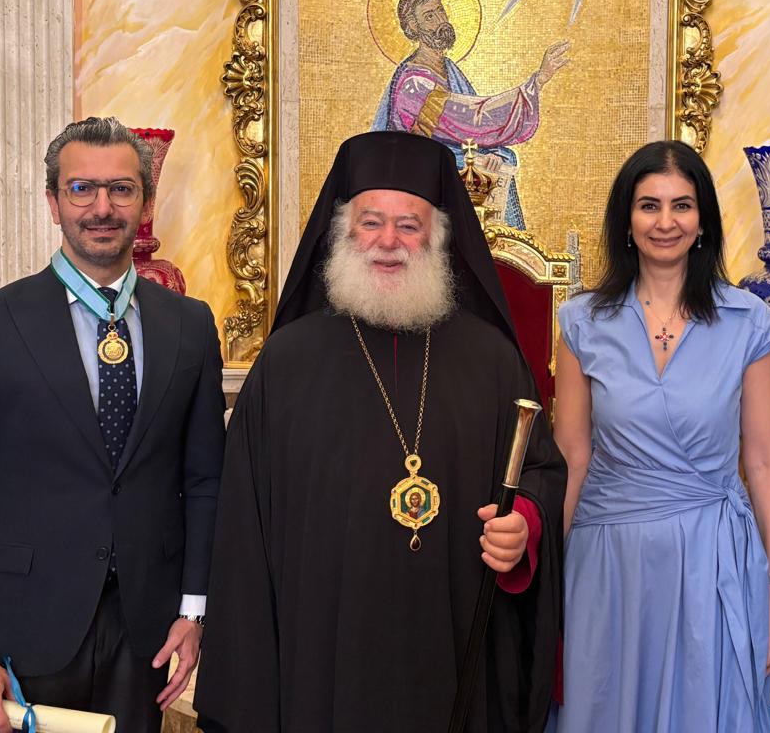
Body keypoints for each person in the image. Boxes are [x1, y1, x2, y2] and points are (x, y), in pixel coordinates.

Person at [193, 131, 565, 733]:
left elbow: (540, 471)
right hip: (321, 652)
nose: (388, 241)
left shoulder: (492, 360)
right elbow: (244, 527)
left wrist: (524, 523)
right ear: (343, 233)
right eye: (371, 222)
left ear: (438, 238)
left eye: (408, 225)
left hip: (453, 643)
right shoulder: (287, 363)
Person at [0, 116, 226, 733]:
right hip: (20, 627)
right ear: (54, 203)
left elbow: (205, 482)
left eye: (121, 189)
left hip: (146, 631)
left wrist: (194, 611)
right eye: (82, 188)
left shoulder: (189, 325)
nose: (102, 207)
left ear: (145, 203)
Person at [549, 140, 770, 732]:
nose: (665, 221)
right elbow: (572, 456)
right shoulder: (582, 323)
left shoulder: (750, 324)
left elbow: (765, 460)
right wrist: (548, 586)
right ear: (627, 221)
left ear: (703, 220)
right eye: (648, 205)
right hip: (607, 564)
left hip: (712, 560)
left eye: (682, 205)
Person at [372, 0, 570, 228]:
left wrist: (492, 153)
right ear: (413, 27)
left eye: (440, 11)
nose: (441, 20)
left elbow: (478, 133)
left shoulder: (450, 69)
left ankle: (507, 248)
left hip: (456, 166)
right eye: (429, 16)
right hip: (423, 177)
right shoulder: (413, 83)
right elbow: (473, 119)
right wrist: (536, 82)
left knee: (502, 160)